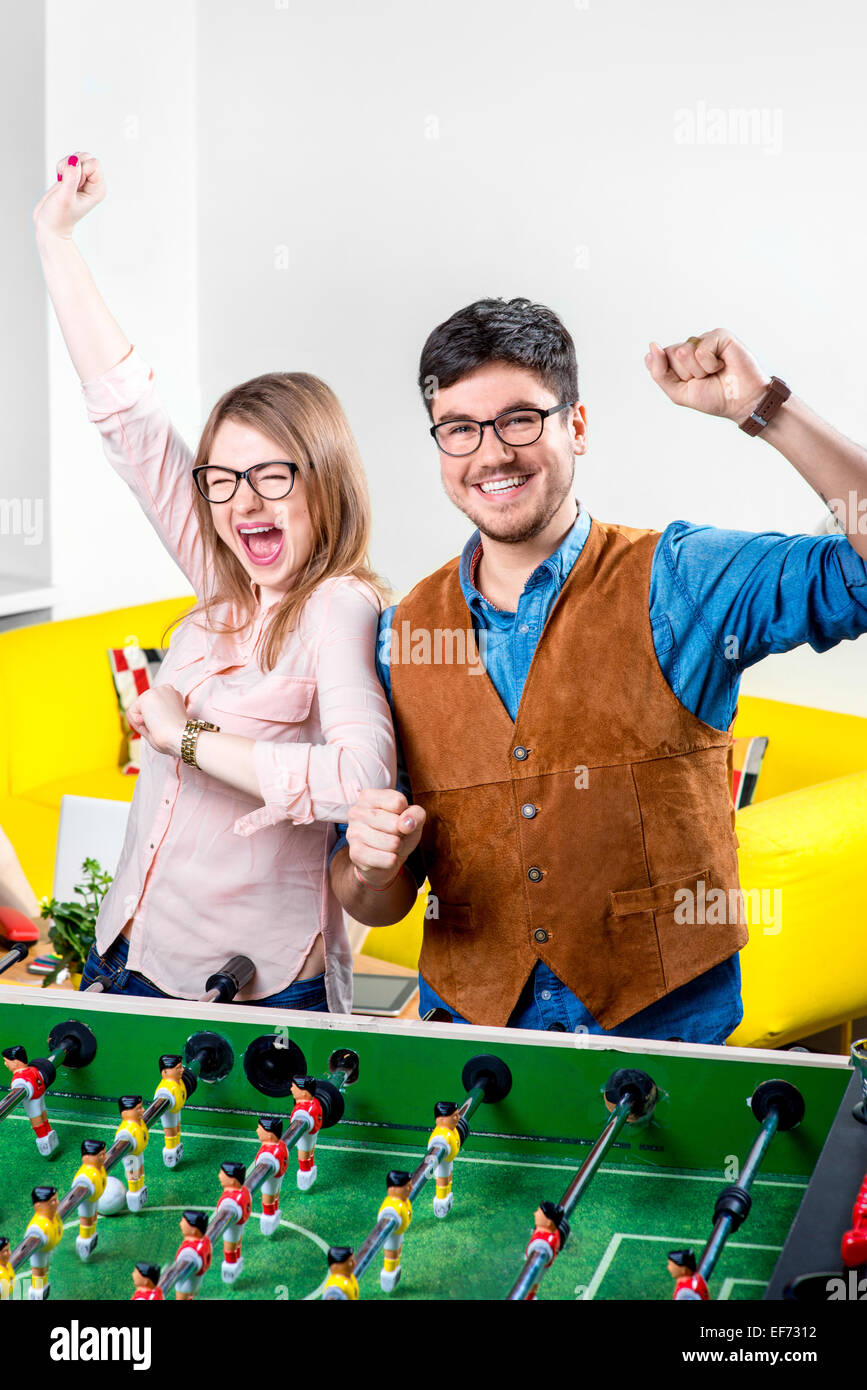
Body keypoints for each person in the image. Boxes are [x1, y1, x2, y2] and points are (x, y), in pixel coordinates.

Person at [329, 297, 867, 1043]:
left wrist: (764, 409)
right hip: (472, 1055)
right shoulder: (400, 635)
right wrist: (370, 867)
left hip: (667, 1048)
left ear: (574, 427)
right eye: (459, 429)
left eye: (520, 419)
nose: (491, 453)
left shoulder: (681, 578)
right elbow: (371, 899)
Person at [32, 151, 395, 1012]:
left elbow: (359, 779)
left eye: (274, 475)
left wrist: (183, 739)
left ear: (324, 480)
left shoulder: (339, 607)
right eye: (222, 479)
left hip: (253, 990)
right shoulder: (223, 579)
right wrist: (54, 236)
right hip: (130, 954)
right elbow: (128, 417)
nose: (243, 501)